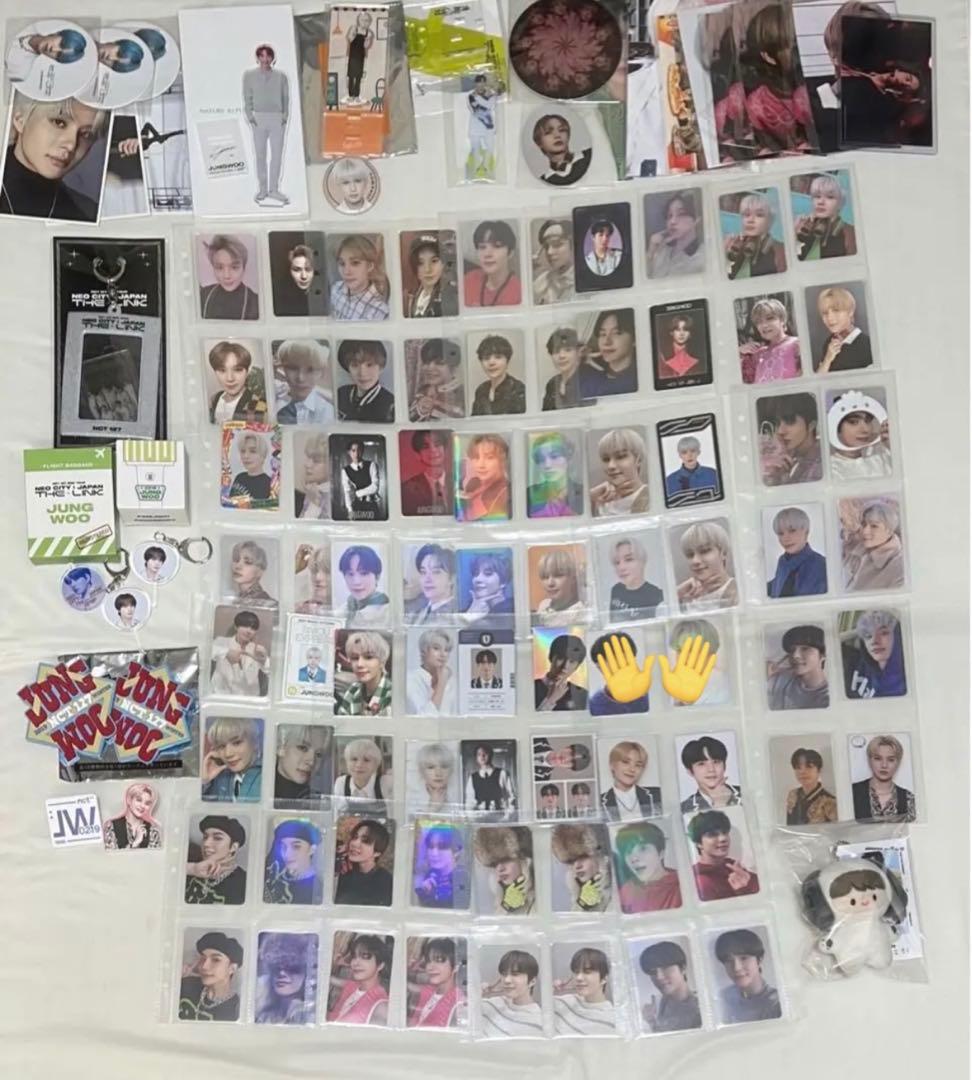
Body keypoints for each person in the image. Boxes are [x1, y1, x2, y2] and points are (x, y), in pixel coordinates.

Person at [0, 94, 108, 222]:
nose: (71, 145)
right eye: (59, 122)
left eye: (86, 134)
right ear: (19, 119)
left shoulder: (87, 214)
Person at [243, 45, 290, 206]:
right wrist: (250, 117)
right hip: (259, 118)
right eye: (262, 56)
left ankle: (274, 189)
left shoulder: (281, 77)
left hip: (277, 118)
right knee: (260, 155)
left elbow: (285, 98)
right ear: (258, 58)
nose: (265, 59)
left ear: (272, 58)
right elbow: (247, 97)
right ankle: (262, 189)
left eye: (268, 56)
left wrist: (284, 116)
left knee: (276, 155)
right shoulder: (249, 76)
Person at [688, 810, 760, 900]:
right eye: (712, 835)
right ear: (699, 843)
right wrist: (744, 891)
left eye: (725, 832)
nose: (723, 838)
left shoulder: (734, 868)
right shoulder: (699, 881)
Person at [714, 930, 782, 1024]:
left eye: (744, 958)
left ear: (759, 959)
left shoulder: (777, 1003)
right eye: (729, 960)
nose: (736, 968)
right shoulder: (722, 998)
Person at [613, 821, 681, 913]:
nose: (634, 858)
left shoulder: (682, 886)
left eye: (643, 849)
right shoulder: (626, 891)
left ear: (661, 853)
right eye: (628, 852)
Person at [638, 941, 702, 1033]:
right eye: (653, 972)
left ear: (683, 968)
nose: (659, 977)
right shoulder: (658, 1005)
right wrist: (651, 1021)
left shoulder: (700, 1010)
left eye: (665, 968)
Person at [327, 934, 391, 1026]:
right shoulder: (352, 986)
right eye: (354, 956)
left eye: (365, 956)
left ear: (380, 965)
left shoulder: (381, 1005)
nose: (355, 963)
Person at [841, 609, 907, 698]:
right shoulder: (857, 662)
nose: (874, 641)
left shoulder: (906, 684)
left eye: (884, 633)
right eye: (868, 635)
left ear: (897, 635)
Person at [178, 932, 243, 1021]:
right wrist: (174, 977)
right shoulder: (186, 984)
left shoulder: (236, 1010)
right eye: (203, 958)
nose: (204, 966)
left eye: (216, 960)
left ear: (232, 968)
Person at [760, 393, 822, 486]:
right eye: (777, 423)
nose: (780, 431)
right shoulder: (794, 458)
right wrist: (778, 478)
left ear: (811, 425)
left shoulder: (819, 465)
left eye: (790, 421)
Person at [766, 506, 828, 598]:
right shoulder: (783, 561)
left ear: (806, 532)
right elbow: (778, 584)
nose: (786, 538)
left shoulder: (822, 565)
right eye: (780, 533)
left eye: (792, 531)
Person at [676, 521, 738, 612]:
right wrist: (676, 596)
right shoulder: (683, 597)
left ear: (723, 553)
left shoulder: (742, 592)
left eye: (704, 551)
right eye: (690, 554)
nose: (695, 561)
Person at [843, 500, 905, 591]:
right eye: (864, 524)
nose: (865, 531)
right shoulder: (853, 550)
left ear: (890, 530)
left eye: (874, 526)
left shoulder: (900, 567)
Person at [553, 948, 617, 1036]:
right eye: (576, 972)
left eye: (587, 972)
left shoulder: (612, 1019)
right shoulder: (562, 1002)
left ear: (604, 979)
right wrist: (551, 988)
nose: (578, 978)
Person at [184, 815, 247, 904]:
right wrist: (192, 869)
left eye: (217, 838)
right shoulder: (190, 863)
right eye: (205, 837)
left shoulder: (243, 883)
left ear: (233, 847)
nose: (206, 844)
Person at [852, 735, 916, 822]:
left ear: (898, 762)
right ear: (869, 760)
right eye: (878, 759)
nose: (884, 765)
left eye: (891, 760)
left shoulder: (908, 798)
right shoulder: (852, 793)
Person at [828, 392, 892, 480]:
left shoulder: (882, 454)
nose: (866, 429)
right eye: (853, 422)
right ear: (837, 426)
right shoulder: (830, 469)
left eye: (867, 421)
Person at [254, 933, 316, 1024]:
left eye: (291, 968)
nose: (282, 973)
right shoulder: (262, 1014)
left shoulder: (309, 1016)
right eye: (276, 967)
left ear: (306, 972)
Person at [479, 950, 543, 1038]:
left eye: (515, 974)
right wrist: (478, 993)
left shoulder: (539, 1021)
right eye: (504, 974)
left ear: (532, 981)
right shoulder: (494, 1004)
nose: (507, 980)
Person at [550, 824, 612, 913]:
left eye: (582, 857)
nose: (577, 866)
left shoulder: (618, 882)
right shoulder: (576, 891)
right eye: (571, 861)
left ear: (596, 854)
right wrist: (582, 906)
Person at [473, 826, 535, 915]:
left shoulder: (541, 896)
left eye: (505, 860)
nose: (500, 868)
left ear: (523, 859)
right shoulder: (498, 898)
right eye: (494, 864)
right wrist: (505, 907)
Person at [739, 297, 802, 383]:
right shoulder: (757, 354)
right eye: (759, 322)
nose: (764, 325)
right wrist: (739, 352)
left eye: (770, 318)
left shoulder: (797, 344)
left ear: (782, 320)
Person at [724, 192, 786, 279]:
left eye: (759, 215)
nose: (751, 220)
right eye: (746, 214)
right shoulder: (731, 244)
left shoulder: (781, 250)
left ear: (770, 220)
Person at [795, 173, 857, 260]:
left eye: (830, 197)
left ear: (840, 203)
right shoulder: (806, 225)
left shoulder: (847, 232)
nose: (821, 202)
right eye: (817, 196)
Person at [767, 625, 830, 710]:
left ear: (823, 655)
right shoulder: (781, 680)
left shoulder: (828, 698)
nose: (795, 655)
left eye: (805, 649)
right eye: (792, 650)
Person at [330, 234, 390, 321]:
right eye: (342, 264)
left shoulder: (380, 312)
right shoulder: (335, 289)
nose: (346, 271)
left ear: (370, 266)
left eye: (355, 263)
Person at [580, 309, 638, 398]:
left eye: (617, 333)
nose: (606, 342)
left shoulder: (639, 379)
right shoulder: (589, 374)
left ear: (635, 338)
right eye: (603, 334)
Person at [334, 818, 393, 906]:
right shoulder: (344, 873)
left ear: (377, 852)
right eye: (355, 837)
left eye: (365, 841)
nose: (355, 844)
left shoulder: (386, 882)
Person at [210, 609, 269, 697]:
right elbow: (205, 651)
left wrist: (264, 662)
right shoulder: (221, 642)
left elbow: (274, 672)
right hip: (220, 695)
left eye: (253, 628)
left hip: (248, 699)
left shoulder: (258, 649)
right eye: (245, 626)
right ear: (236, 627)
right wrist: (226, 653)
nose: (249, 631)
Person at [408, 938, 465, 1028]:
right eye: (428, 961)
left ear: (455, 967)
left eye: (439, 960)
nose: (430, 967)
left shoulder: (458, 1003)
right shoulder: (426, 991)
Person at [670, 620, 729, 706]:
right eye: (679, 650)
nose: (683, 656)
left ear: (710, 650)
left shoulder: (719, 685)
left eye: (691, 649)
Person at [590, 428, 649, 516]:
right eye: (606, 459)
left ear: (638, 459)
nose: (611, 466)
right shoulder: (597, 501)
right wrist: (590, 499)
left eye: (620, 457)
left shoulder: (655, 498)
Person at [463, 220, 521, 308]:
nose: (487, 254)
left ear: (510, 253)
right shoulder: (468, 280)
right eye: (482, 247)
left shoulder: (519, 292)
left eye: (497, 246)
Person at [646, 191, 705, 278]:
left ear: (696, 220)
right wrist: (651, 253)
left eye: (681, 214)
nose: (672, 221)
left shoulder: (703, 257)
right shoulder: (663, 250)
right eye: (669, 216)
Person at [274, 339, 333, 425]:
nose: (300, 378)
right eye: (293, 368)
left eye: (311, 370)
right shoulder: (274, 399)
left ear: (321, 373)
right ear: (282, 368)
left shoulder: (327, 413)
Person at [199, 235, 259, 320]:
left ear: (244, 268)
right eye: (219, 267)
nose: (226, 276)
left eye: (234, 267)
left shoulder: (256, 302)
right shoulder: (203, 295)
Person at [813, 286, 873, 372]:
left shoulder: (868, 345)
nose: (830, 318)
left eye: (836, 310)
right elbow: (818, 379)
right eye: (825, 313)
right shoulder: (829, 343)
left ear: (850, 312)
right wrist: (827, 360)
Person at [202, 717, 263, 800]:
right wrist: (205, 781)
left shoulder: (267, 776)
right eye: (221, 746)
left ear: (255, 742)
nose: (228, 754)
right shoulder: (219, 779)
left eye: (237, 743)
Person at [589, 634, 651, 715]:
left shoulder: (652, 696)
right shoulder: (594, 706)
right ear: (599, 667)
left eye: (626, 658)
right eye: (614, 660)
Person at [263, 819, 321, 904]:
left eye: (296, 846)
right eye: (283, 846)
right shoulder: (273, 880)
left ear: (312, 849)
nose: (287, 854)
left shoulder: (318, 889)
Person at [527, 432, 584, 518]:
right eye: (541, 459)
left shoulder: (583, 493)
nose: (547, 465)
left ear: (568, 458)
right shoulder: (528, 494)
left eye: (554, 456)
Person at [207, 341, 266, 424]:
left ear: (247, 372)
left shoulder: (259, 405)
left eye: (238, 370)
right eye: (222, 370)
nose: (230, 378)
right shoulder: (214, 399)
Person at [334, 631, 392, 716]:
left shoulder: (392, 696)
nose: (359, 664)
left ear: (382, 662)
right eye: (355, 658)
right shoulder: (353, 689)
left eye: (368, 657)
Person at [606, 536, 664, 620]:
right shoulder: (616, 590)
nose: (621, 567)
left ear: (642, 561)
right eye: (617, 562)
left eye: (629, 559)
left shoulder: (656, 595)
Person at [336, 339, 394, 422]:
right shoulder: (341, 393)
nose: (362, 373)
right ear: (348, 369)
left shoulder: (390, 404)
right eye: (355, 365)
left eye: (369, 365)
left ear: (380, 367)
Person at [600, 741, 661, 819]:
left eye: (638, 765)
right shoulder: (599, 802)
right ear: (612, 765)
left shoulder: (658, 794)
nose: (632, 769)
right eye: (625, 762)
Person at [456, 434, 510, 522]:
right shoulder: (473, 484)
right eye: (476, 457)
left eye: (489, 458)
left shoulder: (506, 492)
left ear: (502, 460)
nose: (481, 465)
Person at [679, 736, 742, 812]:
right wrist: (719, 803)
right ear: (690, 771)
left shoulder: (744, 794)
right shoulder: (684, 809)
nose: (711, 769)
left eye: (716, 762)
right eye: (701, 764)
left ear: (724, 766)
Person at [413, 823, 467, 908]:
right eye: (431, 846)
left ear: (456, 851)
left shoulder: (464, 878)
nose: (434, 853)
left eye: (442, 847)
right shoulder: (426, 878)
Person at [470, 334, 526, 416]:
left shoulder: (518, 389)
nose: (491, 363)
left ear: (507, 360)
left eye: (498, 357)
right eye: (486, 358)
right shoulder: (481, 390)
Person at [274, 724, 330, 805]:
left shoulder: (320, 802)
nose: (311, 762)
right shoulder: (258, 790)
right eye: (303, 748)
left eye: (319, 754)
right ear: (280, 746)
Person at [6, 28, 88, 83]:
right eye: (61, 44)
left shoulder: (20, 72)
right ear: (57, 33)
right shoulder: (26, 21)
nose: (54, 49)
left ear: (55, 59)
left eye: (59, 54)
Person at [408, 339, 463, 421]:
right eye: (426, 362)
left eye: (439, 363)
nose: (430, 368)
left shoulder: (462, 394)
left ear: (453, 367)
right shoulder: (422, 391)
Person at [401, 429, 452, 516]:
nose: (433, 450)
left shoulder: (460, 482)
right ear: (418, 455)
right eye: (426, 447)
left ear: (445, 449)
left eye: (437, 444)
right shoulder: (407, 489)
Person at [335, 545, 389, 628]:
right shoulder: (343, 610)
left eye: (364, 573)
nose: (356, 582)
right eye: (350, 574)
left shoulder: (388, 612)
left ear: (377, 576)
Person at [532, 113, 591, 185]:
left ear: (568, 135)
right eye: (548, 132)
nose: (557, 135)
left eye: (562, 130)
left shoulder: (589, 155)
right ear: (539, 143)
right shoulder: (541, 182)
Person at [333, 737, 390, 811]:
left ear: (376, 764)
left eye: (366, 760)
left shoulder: (386, 783)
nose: (359, 765)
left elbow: (395, 815)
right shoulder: (341, 782)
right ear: (346, 762)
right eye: (354, 759)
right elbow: (338, 814)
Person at [407, 630, 455, 716]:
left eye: (446, 650)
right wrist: (441, 684)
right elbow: (423, 719)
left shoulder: (452, 682)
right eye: (436, 648)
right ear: (424, 651)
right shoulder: (410, 680)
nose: (443, 654)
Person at [534, 635, 588, 712]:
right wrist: (551, 699)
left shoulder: (582, 695)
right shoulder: (531, 688)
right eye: (561, 658)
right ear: (551, 657)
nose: (565, 666)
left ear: (577, 667)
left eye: (572, 661)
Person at [533, 548, 585, 626]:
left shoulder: (580, 612)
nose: (550, 583)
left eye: (558, 575)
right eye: (545, 577)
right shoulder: (544, 606)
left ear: (573, 578)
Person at [785, 748, 838, 825]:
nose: (802, 771)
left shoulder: (830, 802)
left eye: (809, 766)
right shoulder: (793, 794)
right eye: (798, 767)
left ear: (819, 770)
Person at [406, 543, 456, 623]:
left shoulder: (457, 614)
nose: (427, 579)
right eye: (423, 572)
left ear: (452, 578)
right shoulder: (416, 612)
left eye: (435, 572)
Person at [103, 782, 162, 849]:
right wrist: (135, 843)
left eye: (147, 803)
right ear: (129, 800)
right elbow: (110, 855)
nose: (142, 806)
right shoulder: (111, 826)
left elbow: (155, 855)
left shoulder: (153, 830)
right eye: (139, 800)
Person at [405, 234, 452, 317]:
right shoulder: (410, 296)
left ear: (444, 264)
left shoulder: (451, 299)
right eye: (420, 263)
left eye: (434, 261)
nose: (427, 269)